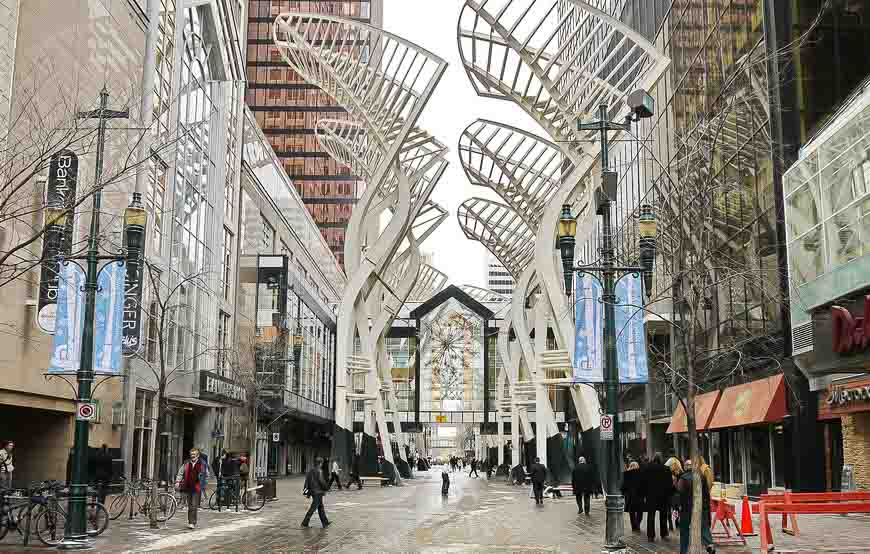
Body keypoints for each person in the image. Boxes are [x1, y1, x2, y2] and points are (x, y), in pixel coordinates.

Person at [677, 459, 715, 554]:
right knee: (704, 527)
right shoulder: (701, 477)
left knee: (684, 529)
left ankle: (684, 550)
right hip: (699, 506)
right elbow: (706, 494)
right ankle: (709, 545)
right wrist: (706, 507)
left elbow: (679, 494)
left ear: (686, 467)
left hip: (686, 508)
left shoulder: (683, 478)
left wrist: (677, 507)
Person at [175, 448, 208, 529]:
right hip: (188, 486)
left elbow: (207, 475)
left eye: (194, 454)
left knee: (194, 505)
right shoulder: (186, 463)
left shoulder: (202, 464)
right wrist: (177, 482)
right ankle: (191, 521)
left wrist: (203, 483)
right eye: (191, 454)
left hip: (197, 487)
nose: (192, 456)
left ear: (198, 455)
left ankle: (192, 522)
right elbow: (180, 473)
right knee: (190, 506)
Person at [643, 453, 673, 542]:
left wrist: (644, 495)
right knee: (663, 515)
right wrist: (669, 495)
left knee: (651, 516)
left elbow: (643, 482)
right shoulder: (666, 469)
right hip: (663, 496)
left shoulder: (647, 468)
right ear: (661, 459)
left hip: (651, 496)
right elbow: (670, 484)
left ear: (653, 459)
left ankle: (650, 536)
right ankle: (664, 534)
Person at [301, 456, 330, 528]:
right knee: (313, 508)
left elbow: (307, 481)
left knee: (320, 507)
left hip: (313, 491)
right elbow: (321, 481)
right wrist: (326, 488)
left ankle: (325, 522)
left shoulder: (311, 470)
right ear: (320, 463)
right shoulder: (319, 471)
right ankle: (305, 522)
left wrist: (307, 491)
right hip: (318, 492)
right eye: (322, 463)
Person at [622, 461, 645, 531]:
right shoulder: (641, 474)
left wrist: (623, 493)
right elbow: (644, 485)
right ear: (637, 466)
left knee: (631, 512)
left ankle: (633, 526)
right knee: (640, 511)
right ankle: (638, 524)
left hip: (629, 496)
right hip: (639, 495)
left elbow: (623, 486)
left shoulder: (626, 474)